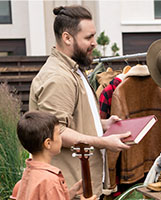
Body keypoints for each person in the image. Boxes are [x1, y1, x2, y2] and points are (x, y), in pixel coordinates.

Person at [29, 5, 131, 198]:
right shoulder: (58, 77)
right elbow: (57, 131)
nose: (94, 43)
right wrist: (103, 142)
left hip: (81, 185)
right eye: (88, 37)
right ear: (67, 38)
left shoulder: (74, 70)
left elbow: (72, 118)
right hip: (69, 188)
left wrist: (102, 124)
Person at [15, 111, 96, 200]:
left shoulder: (28, 174)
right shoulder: (50, 181)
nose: (60, 137)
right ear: (48, 143)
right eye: (58, 134)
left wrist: (72, 192)